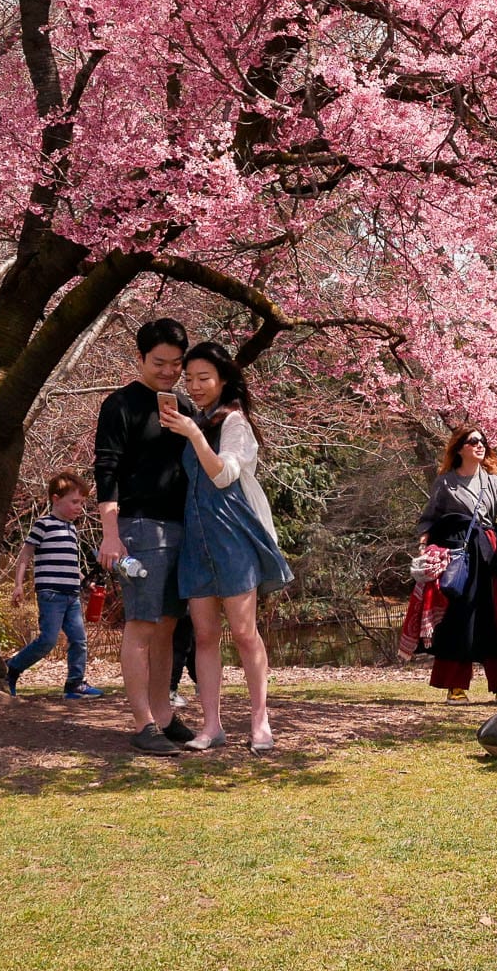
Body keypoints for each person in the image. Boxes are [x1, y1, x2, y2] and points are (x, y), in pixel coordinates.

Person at [169, 341, 294, 752]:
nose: (197, 385)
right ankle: (211, 726)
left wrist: (192, 434)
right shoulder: (195, 420)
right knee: (204, 635)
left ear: (224, 379)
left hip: (233, 536)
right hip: (196, 538)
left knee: (243, 632)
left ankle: (260, 722)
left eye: (204, 377)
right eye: (190, 379)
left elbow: (224, 475)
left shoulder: (234, 422)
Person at [94, 317, 199, 756]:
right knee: (141, 624)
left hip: (182, 528)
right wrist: (111, 535)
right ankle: (142, 722)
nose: (169, 371)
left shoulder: (185, 409)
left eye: (176, 364)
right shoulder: (120, 405)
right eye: (159, 362)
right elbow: (106, 471)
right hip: (139, 526)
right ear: (140, 358)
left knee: (169, 627)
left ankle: (164, 714)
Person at [416, 426, 497, 702]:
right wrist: (425, 546)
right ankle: (456, 685)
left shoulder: (494, 482)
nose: (480, 445)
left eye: (482, 441)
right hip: (458, 556)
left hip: (491, 554)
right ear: (460, 447)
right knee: (459, 617)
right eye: (473, 440)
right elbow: (428, 519)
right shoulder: (445, 482)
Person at [4, 470, 105, 700]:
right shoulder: (44, 525)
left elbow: (70, 564)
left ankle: (75, 684)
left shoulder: (72, 529)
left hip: (72, 595)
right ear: (56, 500)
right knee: (48, 640)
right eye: (75, 502)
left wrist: (85, 582)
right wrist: (18, 584)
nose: (79, 507)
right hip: (50, 594)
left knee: (79, 639)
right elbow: (25, 555)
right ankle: (12, 668)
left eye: (82, 502)